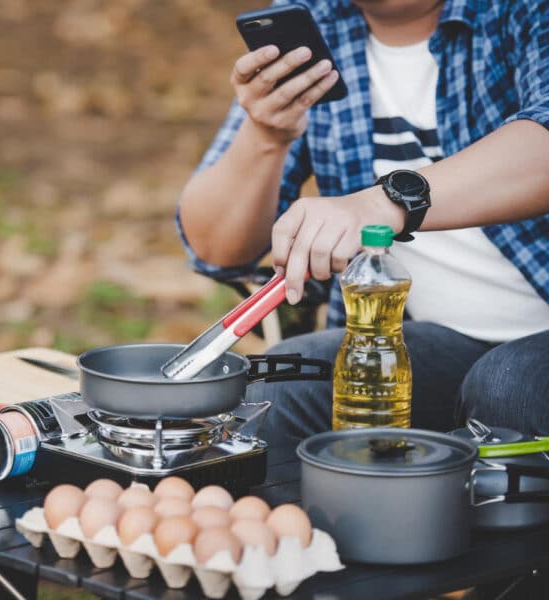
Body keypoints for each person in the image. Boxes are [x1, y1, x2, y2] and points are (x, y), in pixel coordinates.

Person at [177, 0, 549, 439]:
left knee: (508, 385)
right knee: (275, 386)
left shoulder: (523, 11)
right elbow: (216, 248)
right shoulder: (315, 23)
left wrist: (386, 202)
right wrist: (266, 136)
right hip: (439, 338)